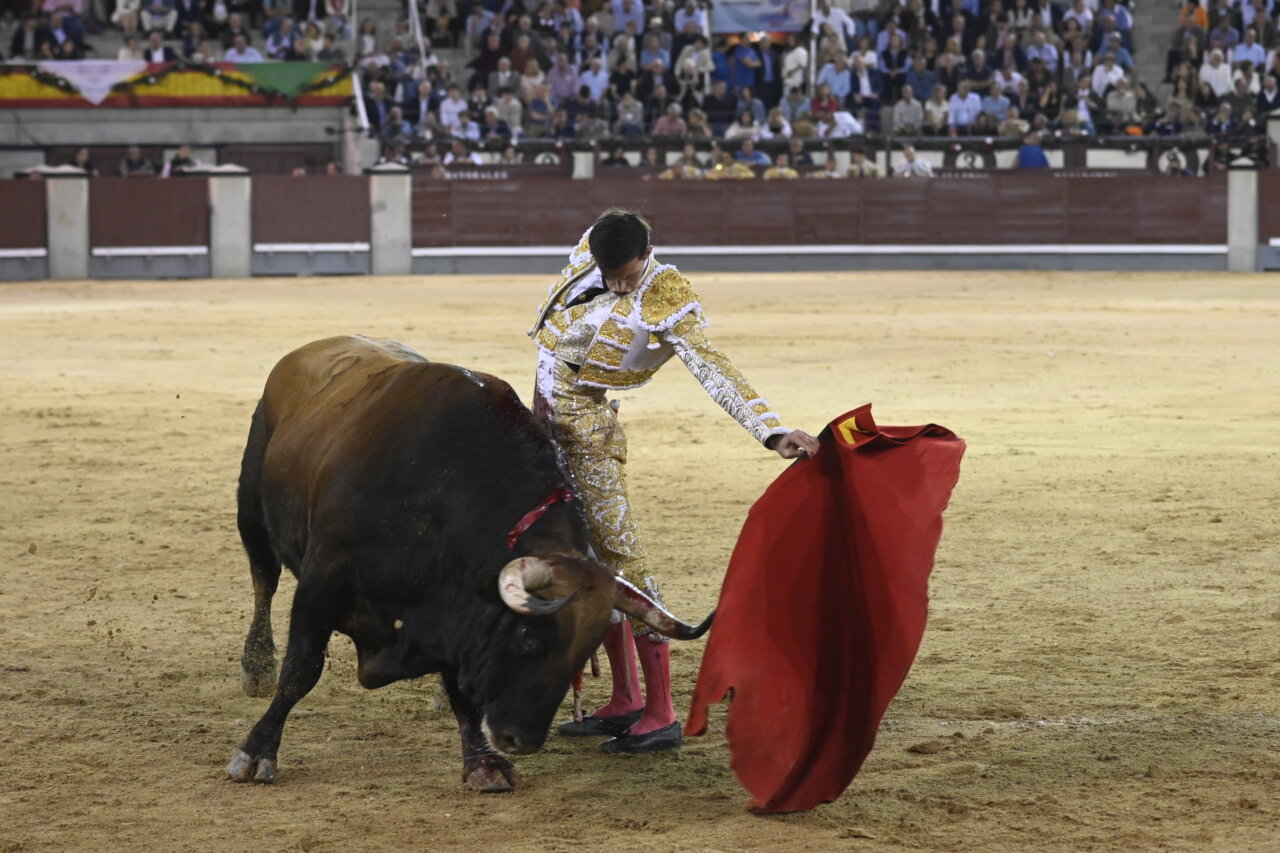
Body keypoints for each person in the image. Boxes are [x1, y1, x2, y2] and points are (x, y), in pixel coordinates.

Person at [530, 210, 818, 754]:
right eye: (610, 274)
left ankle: (661, 712)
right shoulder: (593, 248)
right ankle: (625, 698)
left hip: (588, 438)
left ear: (649, 252)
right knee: (588, 559)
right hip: (545, 430)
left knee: (623, 562)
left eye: (628, 275)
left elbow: (712, 367)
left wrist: (771, 430)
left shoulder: (665, 295)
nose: (619, 285)